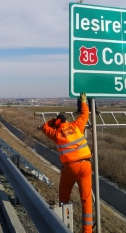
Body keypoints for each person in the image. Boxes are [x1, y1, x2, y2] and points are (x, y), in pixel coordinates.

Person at [38, 92, 93, 232]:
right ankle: (87, 231)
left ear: (57, 124)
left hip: (71, 167)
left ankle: (65, 223)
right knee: (86, 200)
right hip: (86, 164)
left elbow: (45, 127)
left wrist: (53, 122)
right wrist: (84, 101)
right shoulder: (76, 126)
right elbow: (85, 114)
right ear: (66, 121)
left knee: (64, 195)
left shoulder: (57, 134)